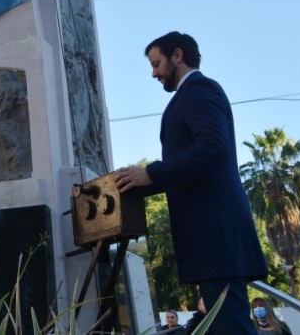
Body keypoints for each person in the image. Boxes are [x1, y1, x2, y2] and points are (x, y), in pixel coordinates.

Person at [113, 32, 267, 335]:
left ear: (178, 55)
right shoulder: (189, 95)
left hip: (215, 233)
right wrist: (136, 183)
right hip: (209, 239)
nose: (153, 73)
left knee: (231, 327)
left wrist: (152, 173)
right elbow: (190, 164)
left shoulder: (198, 89)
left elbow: (212, 147)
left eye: (156, 64)